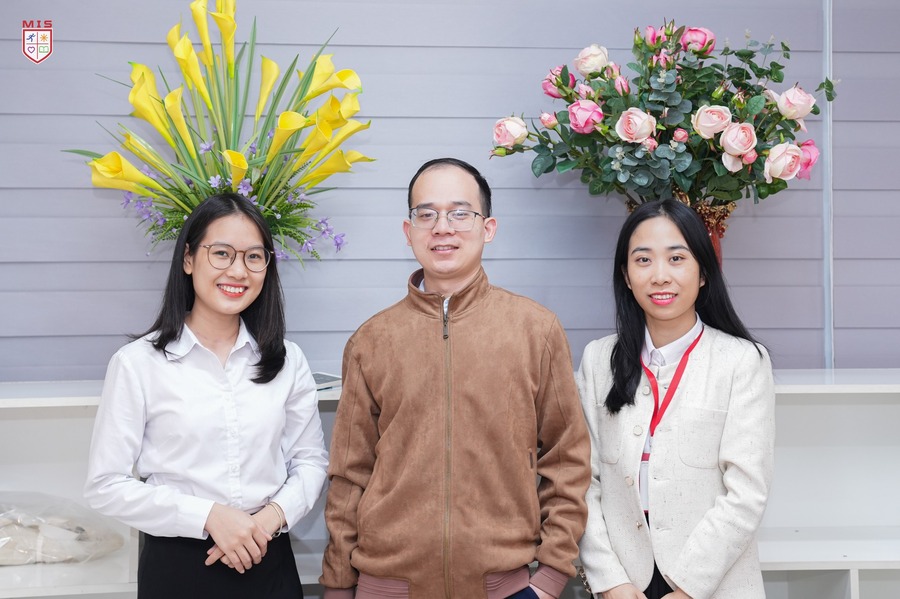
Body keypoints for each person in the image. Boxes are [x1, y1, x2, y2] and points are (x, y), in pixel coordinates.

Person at [319, 158, 591, 599]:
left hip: (504, 587)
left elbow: (567, 460)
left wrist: (550, 577)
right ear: (408, 231)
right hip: (386, 586)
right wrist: (337, 584)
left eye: (460, 213)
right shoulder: (372, 340)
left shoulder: (535, 330)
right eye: (426, 214)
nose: (442, 227)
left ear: (488, 228)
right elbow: (350, 475)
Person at [84, 192, 328, 599]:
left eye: (254, 257)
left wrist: (265, 522)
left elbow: (311, 461)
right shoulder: (138, 363)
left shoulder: (287, 360)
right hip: (178, 566)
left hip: (268, 555)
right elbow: (105, 484)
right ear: (188, 259)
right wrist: (209, 516)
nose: (238, 270)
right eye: (222, 254)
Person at [576, 199, 776, 599]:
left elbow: (746, 492)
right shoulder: (598, 360)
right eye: (643, 260)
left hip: (711, 582)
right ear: (626, 275)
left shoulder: (742, 361)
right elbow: (581, 480)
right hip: (623, 581)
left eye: (677, 258)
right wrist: (610, 580)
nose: (660, 276)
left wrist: (688, 588)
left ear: (703, 273)